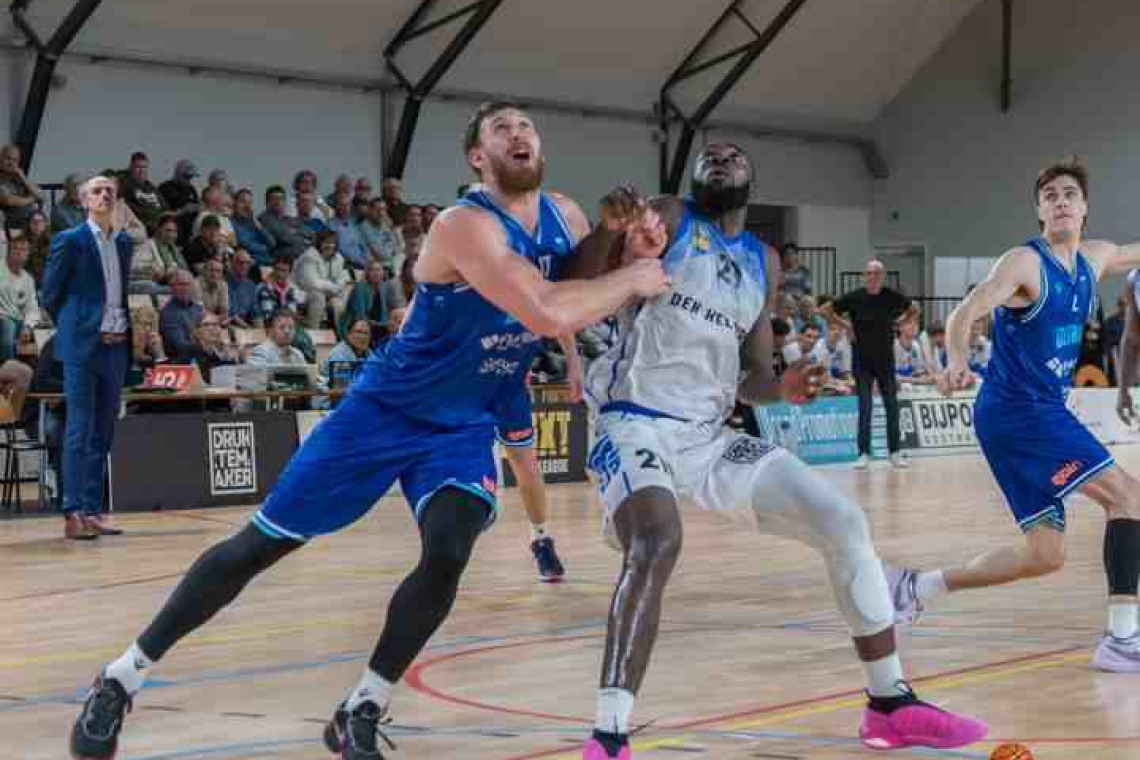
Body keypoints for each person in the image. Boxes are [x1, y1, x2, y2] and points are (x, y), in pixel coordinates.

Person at [68, 100, 669, 760]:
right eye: (502, 128)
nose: (519, 133)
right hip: (386, 409)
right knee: (260, 546)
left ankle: (364, 703)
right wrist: (634, 274)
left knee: (449, 549)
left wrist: (611, 240)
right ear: (478, 156)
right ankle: (122, 676)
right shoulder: (463, 225)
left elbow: (570, 278)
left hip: (466, 417)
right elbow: (550, 308)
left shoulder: (566, 213)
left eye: (526, 125)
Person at [579, 143, 986, 759]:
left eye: (732, 153)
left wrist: (783, 389)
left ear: (751, 180)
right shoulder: (669, 214)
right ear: (694, 178)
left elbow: (752, 375)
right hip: (634, 422)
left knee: (845, 522)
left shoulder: (761, 263)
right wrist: (609, 233)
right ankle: (608, 736)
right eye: (709, 153)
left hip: (708, 437)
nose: (719, 155)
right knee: (659, 541)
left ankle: (889, 705)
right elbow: (581, 283)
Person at [895, 158, 1140, 673]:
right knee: (1129, 494)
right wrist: (957, 360)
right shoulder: (1025, 263)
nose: (1060, 200)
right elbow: (967, 310)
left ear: (1085, 207)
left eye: (1069, 193)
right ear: (1039, 211)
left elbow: (1131, 252)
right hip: (1019, 411)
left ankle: (918, 587)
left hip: (1026, 414)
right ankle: (1121, 639)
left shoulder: (1095, 258)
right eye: (1049, 195)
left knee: (1044, 556)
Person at [42, 174, 133, 541]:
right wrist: (77, 324)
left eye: (110, 190)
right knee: (78, 430)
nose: (105, 194)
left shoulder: (124, 242)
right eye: (97, 190)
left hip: (117, 345)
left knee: (103, 433)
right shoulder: (71, 240)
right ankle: (72, 510)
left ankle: (93, 511)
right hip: (83, 346)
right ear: (83, 201)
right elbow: (50, 293)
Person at [824, 259, 918, 469]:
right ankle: (863, 453)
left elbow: (914, 309)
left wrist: (900, 323)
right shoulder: (854, 297)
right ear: (864, 276)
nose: (872, 277)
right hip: (862, 361)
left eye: (876, 273)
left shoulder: (891, 296)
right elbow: (827, 310)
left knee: (891, 405)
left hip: (885, 361)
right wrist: (845, 324)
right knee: (865, 407)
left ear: (882, 276)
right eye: (869, 273)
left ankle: (894, 452)